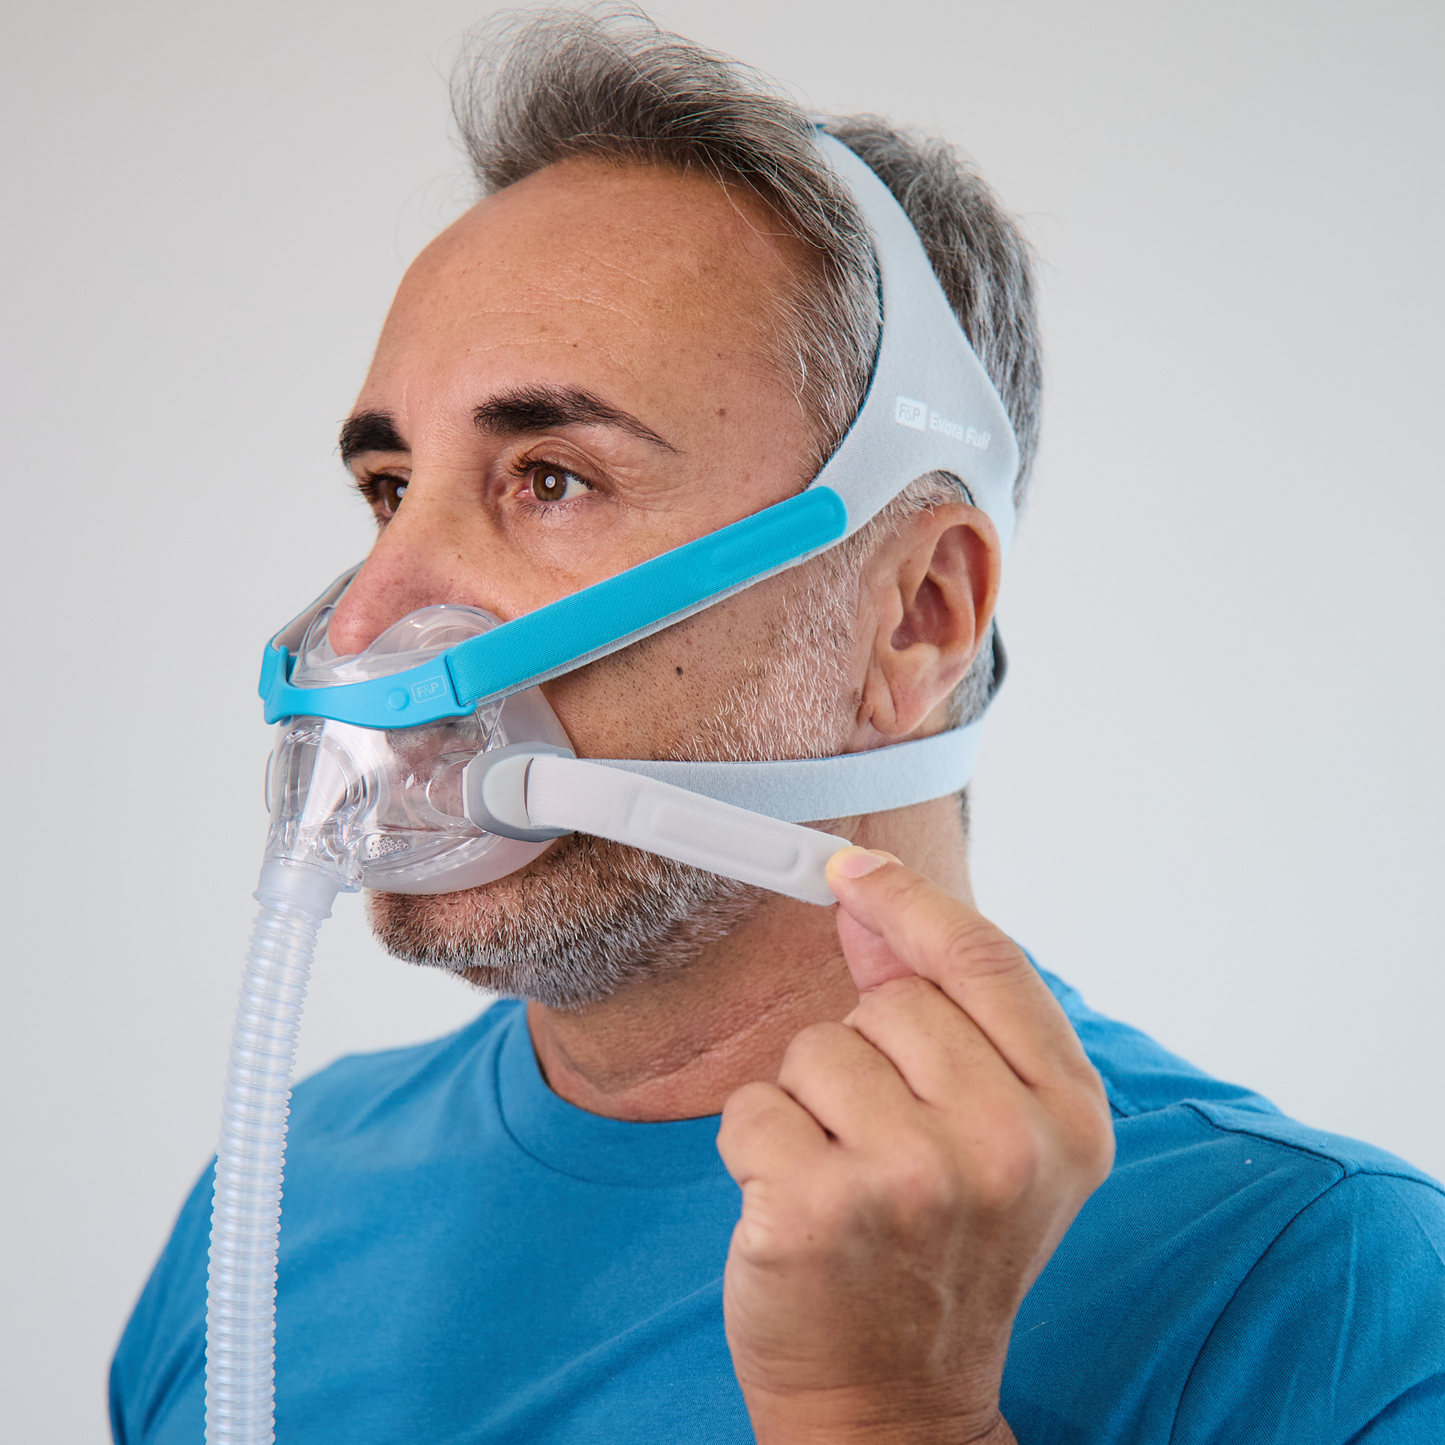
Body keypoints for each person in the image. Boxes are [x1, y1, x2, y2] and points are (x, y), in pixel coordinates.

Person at [111, 8, 1445, 1442]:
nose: (365, 626)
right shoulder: (279, 1190)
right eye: (390, 489)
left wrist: (895, 1417)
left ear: (918, 613)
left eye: (550, 477)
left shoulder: (1319, 1297)